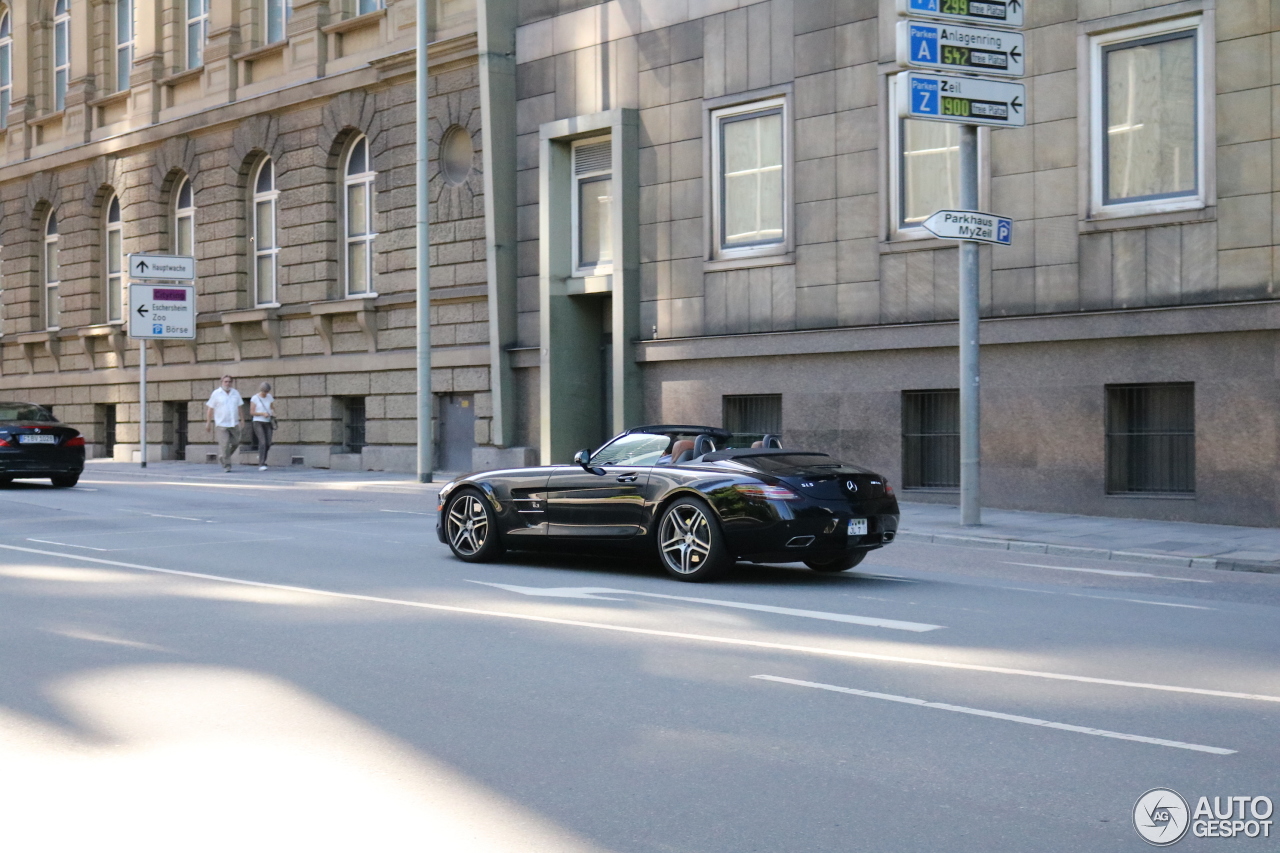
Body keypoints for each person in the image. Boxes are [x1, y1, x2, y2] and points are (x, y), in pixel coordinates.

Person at [205, 375, 244, 472]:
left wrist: (242, 420)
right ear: (222, 382)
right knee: (225, 444)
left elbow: (239, 407)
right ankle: (227, 465)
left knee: (236, 443)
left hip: (234, 423)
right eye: (225, 381)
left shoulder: (235, 393)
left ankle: (224, 457)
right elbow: (210, 409)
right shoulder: (216, 394)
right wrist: (208, 422)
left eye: (229, 382)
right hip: (221, 424)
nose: (227, 383)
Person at [249, 382, 275, 471]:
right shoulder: (255, 398)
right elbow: (252, 412)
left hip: (267, 422)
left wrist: (272, 413)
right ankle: (261, 463)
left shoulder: (270, 397)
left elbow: (272, 408)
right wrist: (262, 414)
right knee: (262, 441)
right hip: (257, 422)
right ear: (261, 390)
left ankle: (261, 456)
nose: (266, 394)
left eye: (267, 392)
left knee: (268, 443)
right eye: (264, 392)